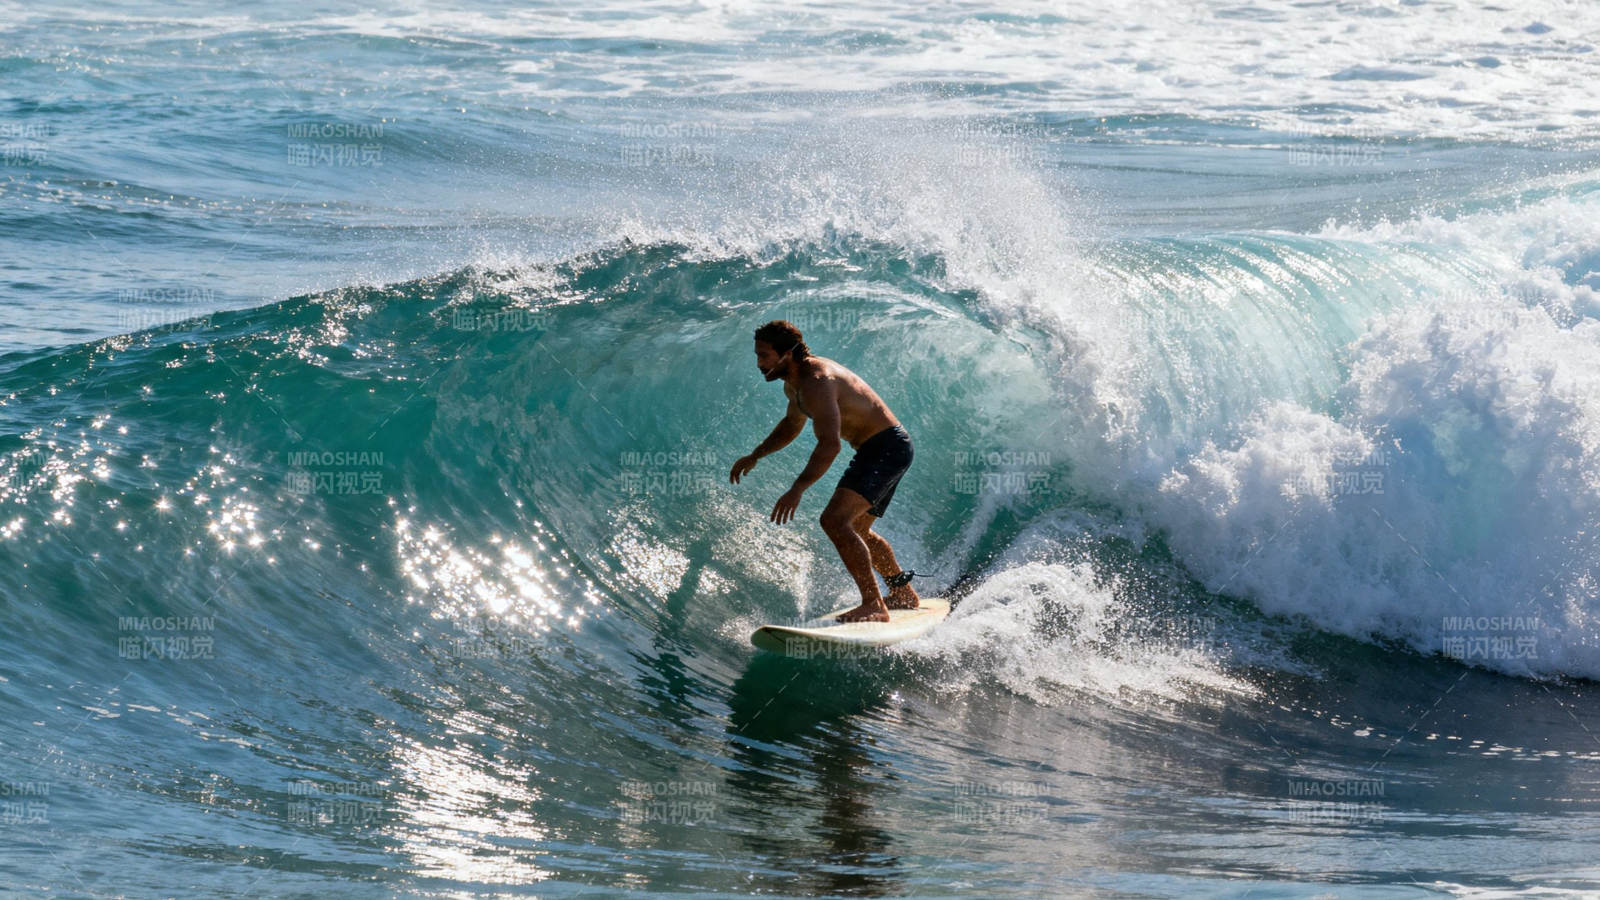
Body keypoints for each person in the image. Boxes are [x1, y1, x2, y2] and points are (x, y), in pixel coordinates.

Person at [728, 320, 918, 623]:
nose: (758, 363)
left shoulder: (816, 381)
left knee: (835, 521)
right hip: (886, 448)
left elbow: (830, 446)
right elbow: (792, 425)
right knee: (858, 529)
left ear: (786, 354)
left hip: (884, 449)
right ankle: (902, 593)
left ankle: (873, 604)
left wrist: (797, 489)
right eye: (757, 356)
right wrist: (756, 455)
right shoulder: (796, 383)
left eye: (764, 355)